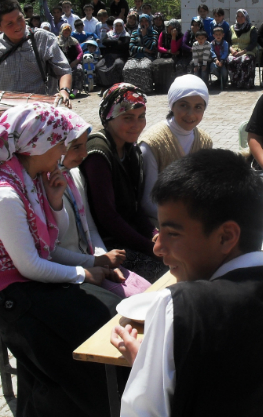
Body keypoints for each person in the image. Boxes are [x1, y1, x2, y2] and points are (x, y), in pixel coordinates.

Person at [111, 148, 263, 417]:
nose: (158, 247)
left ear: (226, 236)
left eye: (172, 233)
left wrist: (147, 369)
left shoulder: (179, 309)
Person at [0, 103, 127, 416]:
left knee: (102, 312)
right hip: (4, 293)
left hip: (26, 279)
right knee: (87, 334)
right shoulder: (4, 194)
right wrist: (83, 273)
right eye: (61, 144)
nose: (65, 151)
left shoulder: (31, 178)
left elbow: (47, 247)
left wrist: (55, 204)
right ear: (38, 143)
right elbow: (30, 265)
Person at [57, 112, 152, 298]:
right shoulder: (41, 187)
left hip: (93, 258)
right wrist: (96, 262)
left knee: (146, 290)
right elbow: (49, 252)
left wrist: (104, 261)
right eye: (75, 147)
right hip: (69, 270)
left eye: (84, 146)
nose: (84, 154)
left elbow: (90, 230)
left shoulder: (74, 174)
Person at [80, 83, 167, 283]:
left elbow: (134, 209)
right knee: (166, 269)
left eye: (141, 117)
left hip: (128, 235)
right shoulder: (98, 153)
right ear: (109, 118)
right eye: (127, 118)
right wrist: (149, 247)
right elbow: (107, 217)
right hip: (106, 244)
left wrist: (154, 235)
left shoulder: (130, 150)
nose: (136, 124)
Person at [0, 0, 73, 119]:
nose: (18, 26)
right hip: (11, 118)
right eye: (10, 23)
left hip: (44, 113)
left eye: (20, 19)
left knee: (81, 132)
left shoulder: (43, 38)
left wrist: (64, 92)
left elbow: (64, 70)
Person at [140, 74, 213, 221]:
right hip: (163, 223)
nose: (191, 114)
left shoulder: (205, 142)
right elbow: (148, 202)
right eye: (183, 105)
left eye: (198, 107)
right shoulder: (152, 144)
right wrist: (184, 220)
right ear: (172, 105)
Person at [123, 14, 158, 93]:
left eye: (146, 21)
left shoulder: (154, 32)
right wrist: (144, 49)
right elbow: (131, 47)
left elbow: (152, 47)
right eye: (142, 21)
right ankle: (131, 90)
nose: (144, 23)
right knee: (128, 68)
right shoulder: (135, 32)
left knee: (144, 67)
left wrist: (144, 35)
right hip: (135, 57)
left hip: (148, 57)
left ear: (149, 22)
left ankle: (145, 89)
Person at [227, 9, 259, 89]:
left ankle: (246, 83)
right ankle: (235, 83)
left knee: (245, 60)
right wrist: (231, 50)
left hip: (248, 51)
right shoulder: (232, 28)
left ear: (246, 17)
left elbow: (253, 43)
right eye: (238, 16)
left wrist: (242, 52)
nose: (240, 18)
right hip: (234, 51)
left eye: (242, 16)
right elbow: (227, 42)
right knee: (230, 60)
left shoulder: (252, 28)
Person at [57, 24, 84, 97]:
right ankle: (61, 90)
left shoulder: (74, 41)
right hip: (60, 63)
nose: (66, 32)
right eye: (65, 30)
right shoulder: (56, 41)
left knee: (79, 69)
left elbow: (80, 53)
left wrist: (75, 62)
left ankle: (75, 91)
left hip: (73, 62)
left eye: (68, 30)